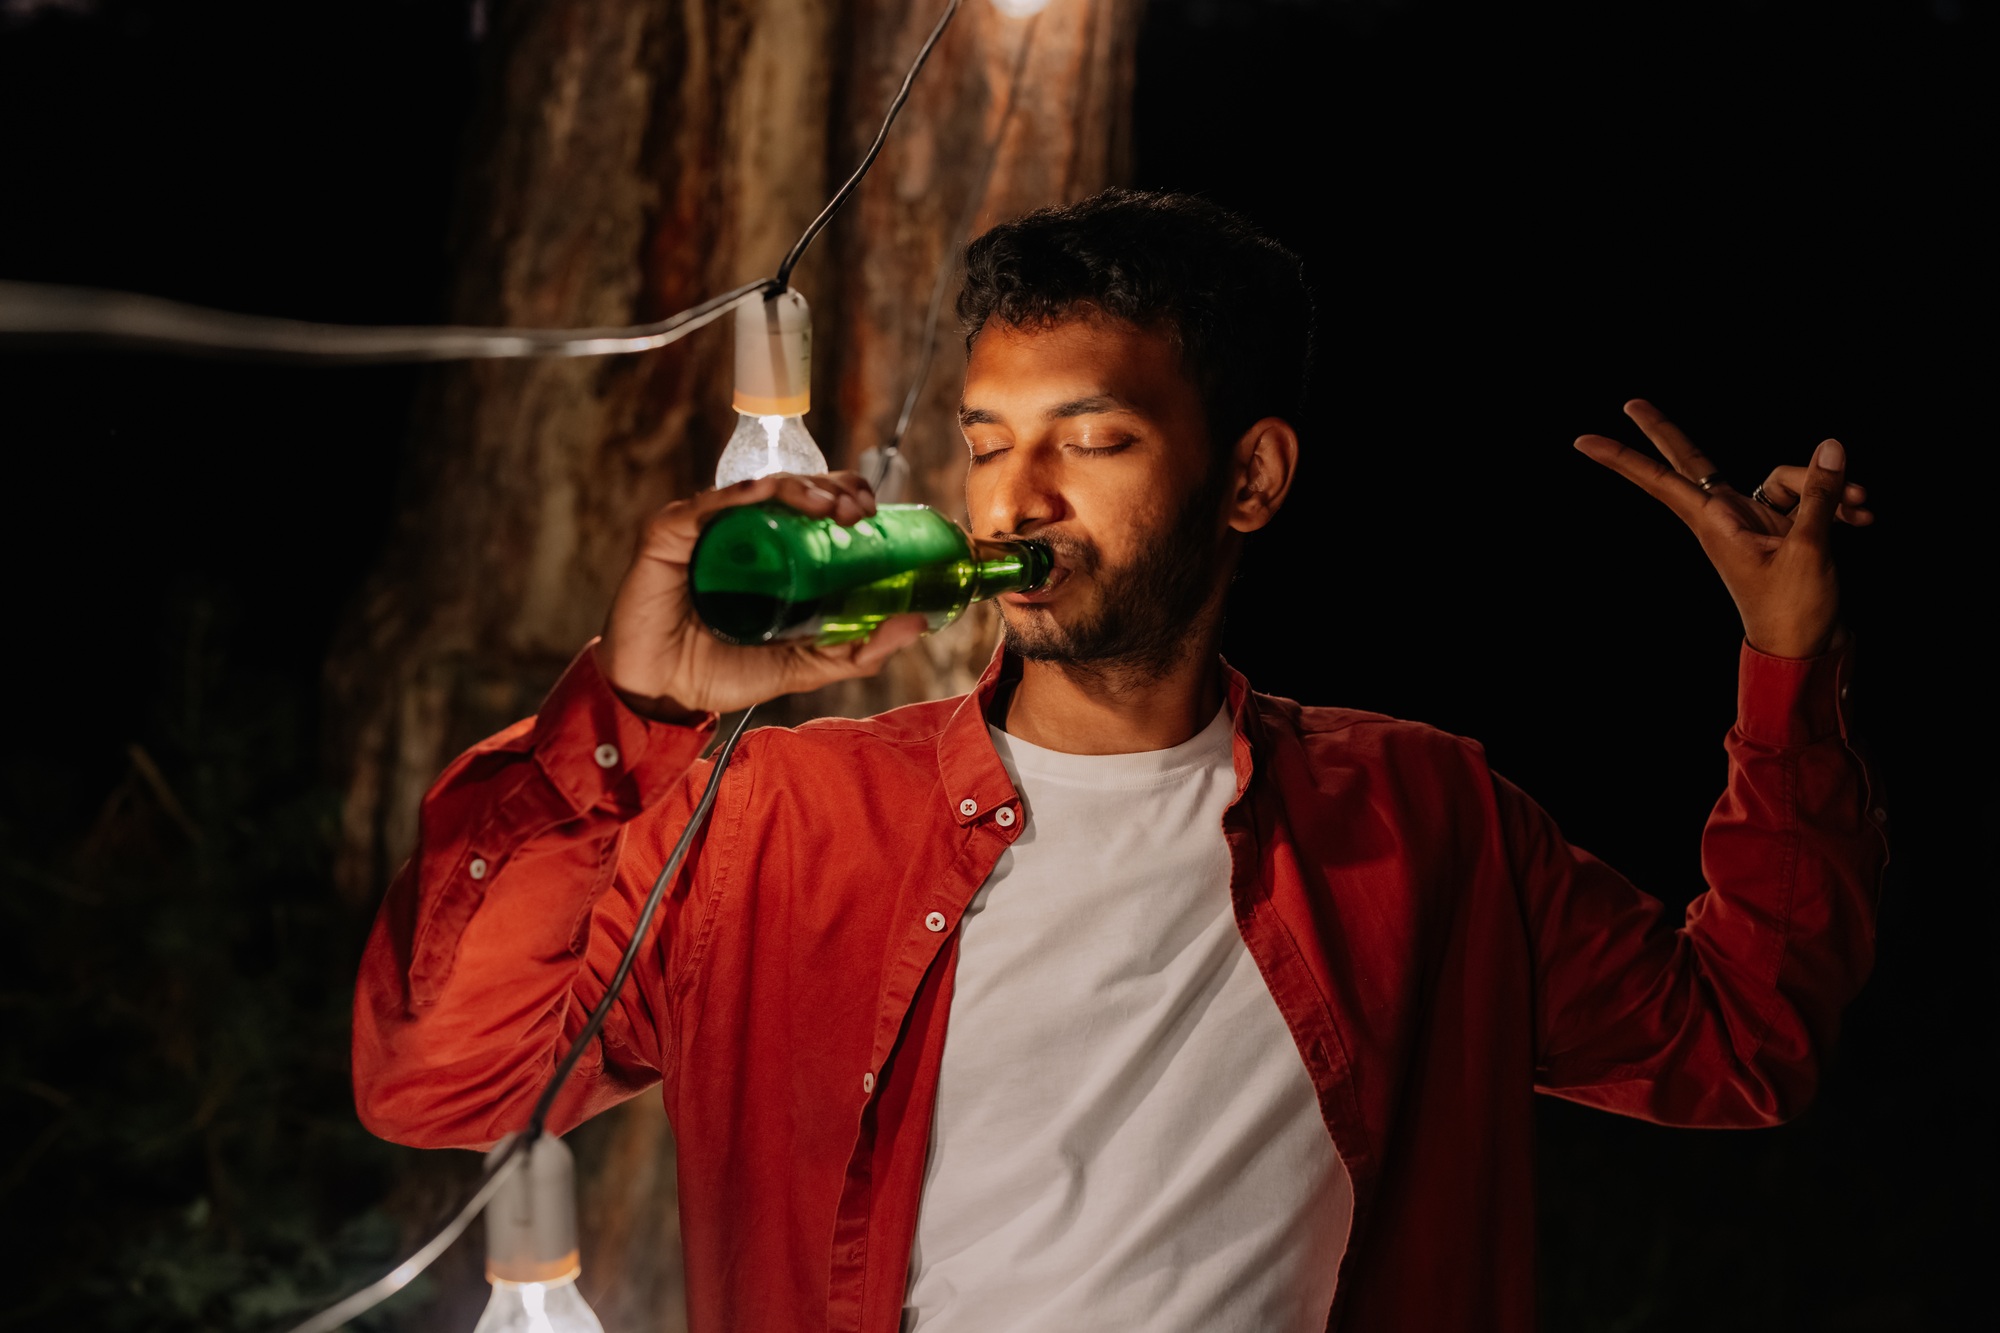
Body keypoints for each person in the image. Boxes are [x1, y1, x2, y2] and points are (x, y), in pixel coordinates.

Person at [352, 190, 1888, 1333]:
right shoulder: (779, 821)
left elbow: (1740, 1039)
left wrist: (1788, 668)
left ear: (1252, 480)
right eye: (986, 436)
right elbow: (443, 1077)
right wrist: (630, 707)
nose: (1015, 500)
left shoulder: (1423, 820)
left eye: (1089, 442)